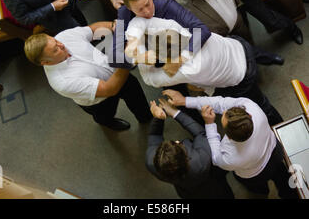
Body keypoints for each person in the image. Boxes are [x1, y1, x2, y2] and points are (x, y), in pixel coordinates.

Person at [123, 14, 283, 126]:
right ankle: (273, 58)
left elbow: (151, 80)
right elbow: (139, 21)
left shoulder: (188, 70)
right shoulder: (179, 28)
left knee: (261, 104)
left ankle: (280, 126)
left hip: (242, 76)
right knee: (255, 53)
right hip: (238, 45)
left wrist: (140, 57)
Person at [161, 89, 298, 199]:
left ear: (228, 136)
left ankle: (262, 193)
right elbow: (221, 103)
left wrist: (209, 124)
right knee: (283, 178)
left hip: (255, 175)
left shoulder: (229, 157)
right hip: (275, 151)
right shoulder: (252, 108)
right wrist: (185, 101)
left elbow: (215, 156)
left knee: (258, 189)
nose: (223, 111)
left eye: (223, 118)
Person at [24, 22, 151, 131]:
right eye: (55, 50)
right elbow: (109, 89)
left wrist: (114, 26)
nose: (61, 45)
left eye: (55, 41)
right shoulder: (62, 82)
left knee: (136, 97)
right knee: (105, 115)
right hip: (99, 100)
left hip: (116, 72)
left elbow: (93, 29)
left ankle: (146, 118)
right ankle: (108, 123)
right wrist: (127, 60)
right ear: (45, 62)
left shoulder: (64, 37)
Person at [110, 0, 211, 73]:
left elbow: (202, 29)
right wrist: (138, 59)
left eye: (147, 4)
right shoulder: (124, 13)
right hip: (155, 66)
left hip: (187, 52)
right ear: (129, 8)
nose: (147, 11)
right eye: (140, 9)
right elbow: (114, 58)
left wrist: (181, 59)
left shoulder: (167, 4)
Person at [145, 97, 234, 199]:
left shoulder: (152, 163)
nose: (178, 141)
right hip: (215, 186)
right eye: (178, 143)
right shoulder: (200, 161)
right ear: (186, 158)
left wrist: (158, 118)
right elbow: (201, 134)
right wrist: (175, 113)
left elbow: (154, 137)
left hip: (187, 193)